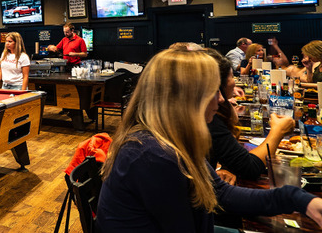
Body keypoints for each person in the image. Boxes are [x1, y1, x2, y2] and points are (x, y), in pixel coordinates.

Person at [97, 48, 322, 232]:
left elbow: (221, 193)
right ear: (185, 98)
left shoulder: (172, 139)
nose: (222, 99)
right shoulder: (153, 155)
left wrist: (299, 199)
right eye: (214, 90)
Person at [203, 48, 294, 183]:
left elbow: (226, 156)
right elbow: (249, 168)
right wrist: (278, 131)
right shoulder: (210, 120)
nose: (234, 82)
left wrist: (224, 168)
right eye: (232, 77)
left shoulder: (213, 113)